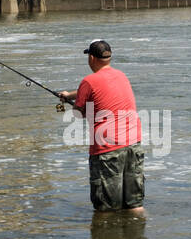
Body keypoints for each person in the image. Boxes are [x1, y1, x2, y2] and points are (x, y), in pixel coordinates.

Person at [59, 39, 145, 213]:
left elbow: (79, 113)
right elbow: (98, 89)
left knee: (106, 208)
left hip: (108, 149)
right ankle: (139, 237)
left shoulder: (88, 81)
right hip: (133, 144)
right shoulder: (121, 75)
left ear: (91, 58)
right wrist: (70, 94)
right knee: (135, 205)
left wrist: (71, 103)